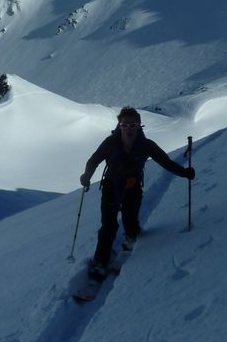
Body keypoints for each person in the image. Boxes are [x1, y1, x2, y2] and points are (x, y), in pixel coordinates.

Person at [80, 106, 195, 278]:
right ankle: (100, 261)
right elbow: (93, 160)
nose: (128, 129)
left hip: (132, 187)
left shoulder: (147, 146)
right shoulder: (110, 143)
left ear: (140, 126)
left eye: (133, 125)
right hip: (111, 186)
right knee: (108, 225)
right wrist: (86, 176)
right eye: (124, 125)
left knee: (130, 220)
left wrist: (184, 173)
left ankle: (130, 238)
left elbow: (166, 163)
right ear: (119, 125)